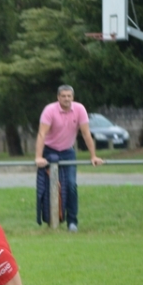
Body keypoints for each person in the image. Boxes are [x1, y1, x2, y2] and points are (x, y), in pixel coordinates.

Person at [35, 85, 103, 232]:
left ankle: (72, 222)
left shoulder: (79, 109)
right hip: (50, 150)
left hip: (68, 151)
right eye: (63, 96)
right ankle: (51, 221)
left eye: (69, 96)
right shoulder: (49, 110)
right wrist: (38, 157)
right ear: (58, 97)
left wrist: (93, 156)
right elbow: (42, 134)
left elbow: (86, 134)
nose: (66, 99)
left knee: (71, 185)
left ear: (73, 97)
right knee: (50, 186)